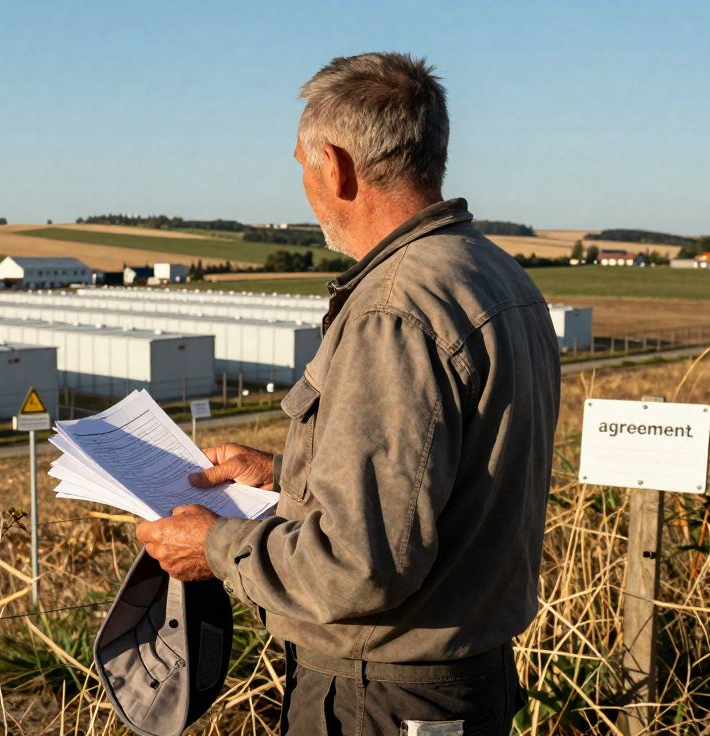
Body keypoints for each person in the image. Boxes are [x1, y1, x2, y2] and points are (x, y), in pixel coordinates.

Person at [135, 52, 560, 733]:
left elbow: (361, 565)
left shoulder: (393, 310)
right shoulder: (495, 276)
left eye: (301, 166)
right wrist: (285, 475)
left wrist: (214, 548)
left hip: (382, 699)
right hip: (465, 682)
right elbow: (437, 479)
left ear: (334, 167)